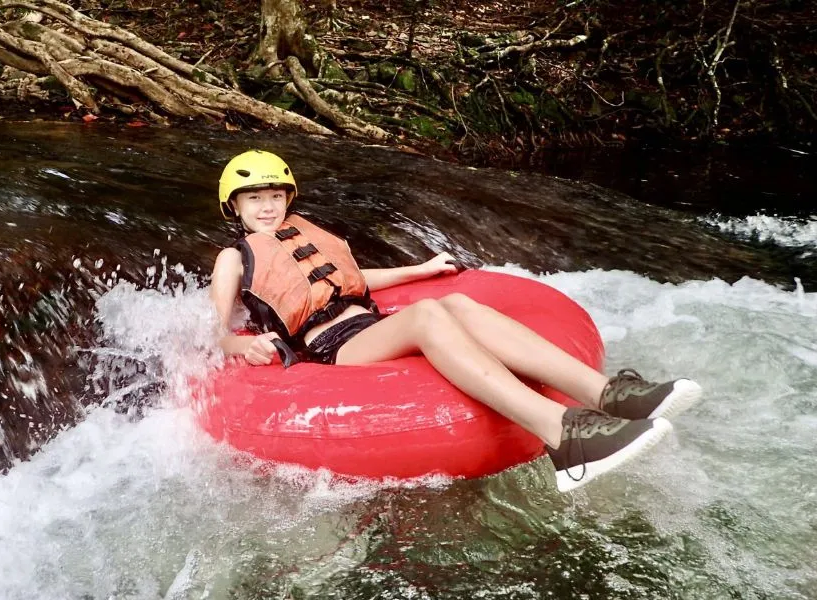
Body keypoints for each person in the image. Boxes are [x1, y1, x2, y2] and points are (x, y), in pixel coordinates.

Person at [209, 150, 702, 492]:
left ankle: (607, 395)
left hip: (368, 324)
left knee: (459, 306)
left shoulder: (306, 234)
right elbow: (215, 332)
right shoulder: (233, 258)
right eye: (254, 198)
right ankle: (564, 437)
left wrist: (421, 270)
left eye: (274, 195)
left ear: (288, 197)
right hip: (334, 347)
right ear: (234, 206)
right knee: (428, 315)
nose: (267, 206)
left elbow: (351, 280)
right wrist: (243, 348)